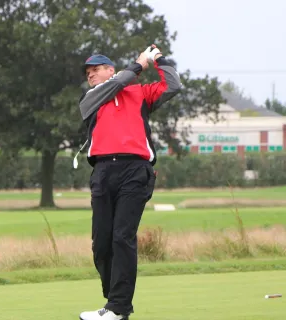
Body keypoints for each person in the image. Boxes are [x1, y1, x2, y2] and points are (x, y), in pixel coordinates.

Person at [77, 45, 182, 320]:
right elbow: (123, 80)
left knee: (122, 237)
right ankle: (114, 301)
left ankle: (118, 307)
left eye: (96, 70)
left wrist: (158, 59)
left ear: (110, 69)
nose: (91, 75)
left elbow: (173, 85)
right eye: (88, 72)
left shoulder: (140, 94)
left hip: (135, 171)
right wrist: (138, 64)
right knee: (101, 243)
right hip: (102, 172)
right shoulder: (91, 98)